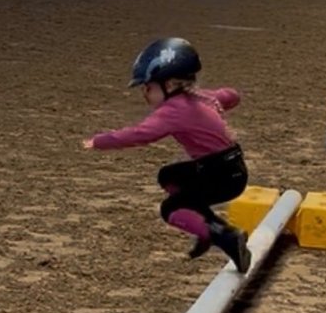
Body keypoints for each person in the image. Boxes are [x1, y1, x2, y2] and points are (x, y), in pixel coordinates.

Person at [82, 37, 252, 272]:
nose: (145, 94)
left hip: (219, 177)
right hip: (233, 169)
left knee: (170, 209)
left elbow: (139, 134)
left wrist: (99, 141)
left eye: (148, 87)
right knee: (170, 176)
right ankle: (207, 226)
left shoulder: (173, 110)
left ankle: (222, 235)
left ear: (170, 85)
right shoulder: (202, 97)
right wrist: (225, 100)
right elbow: (230, 95)